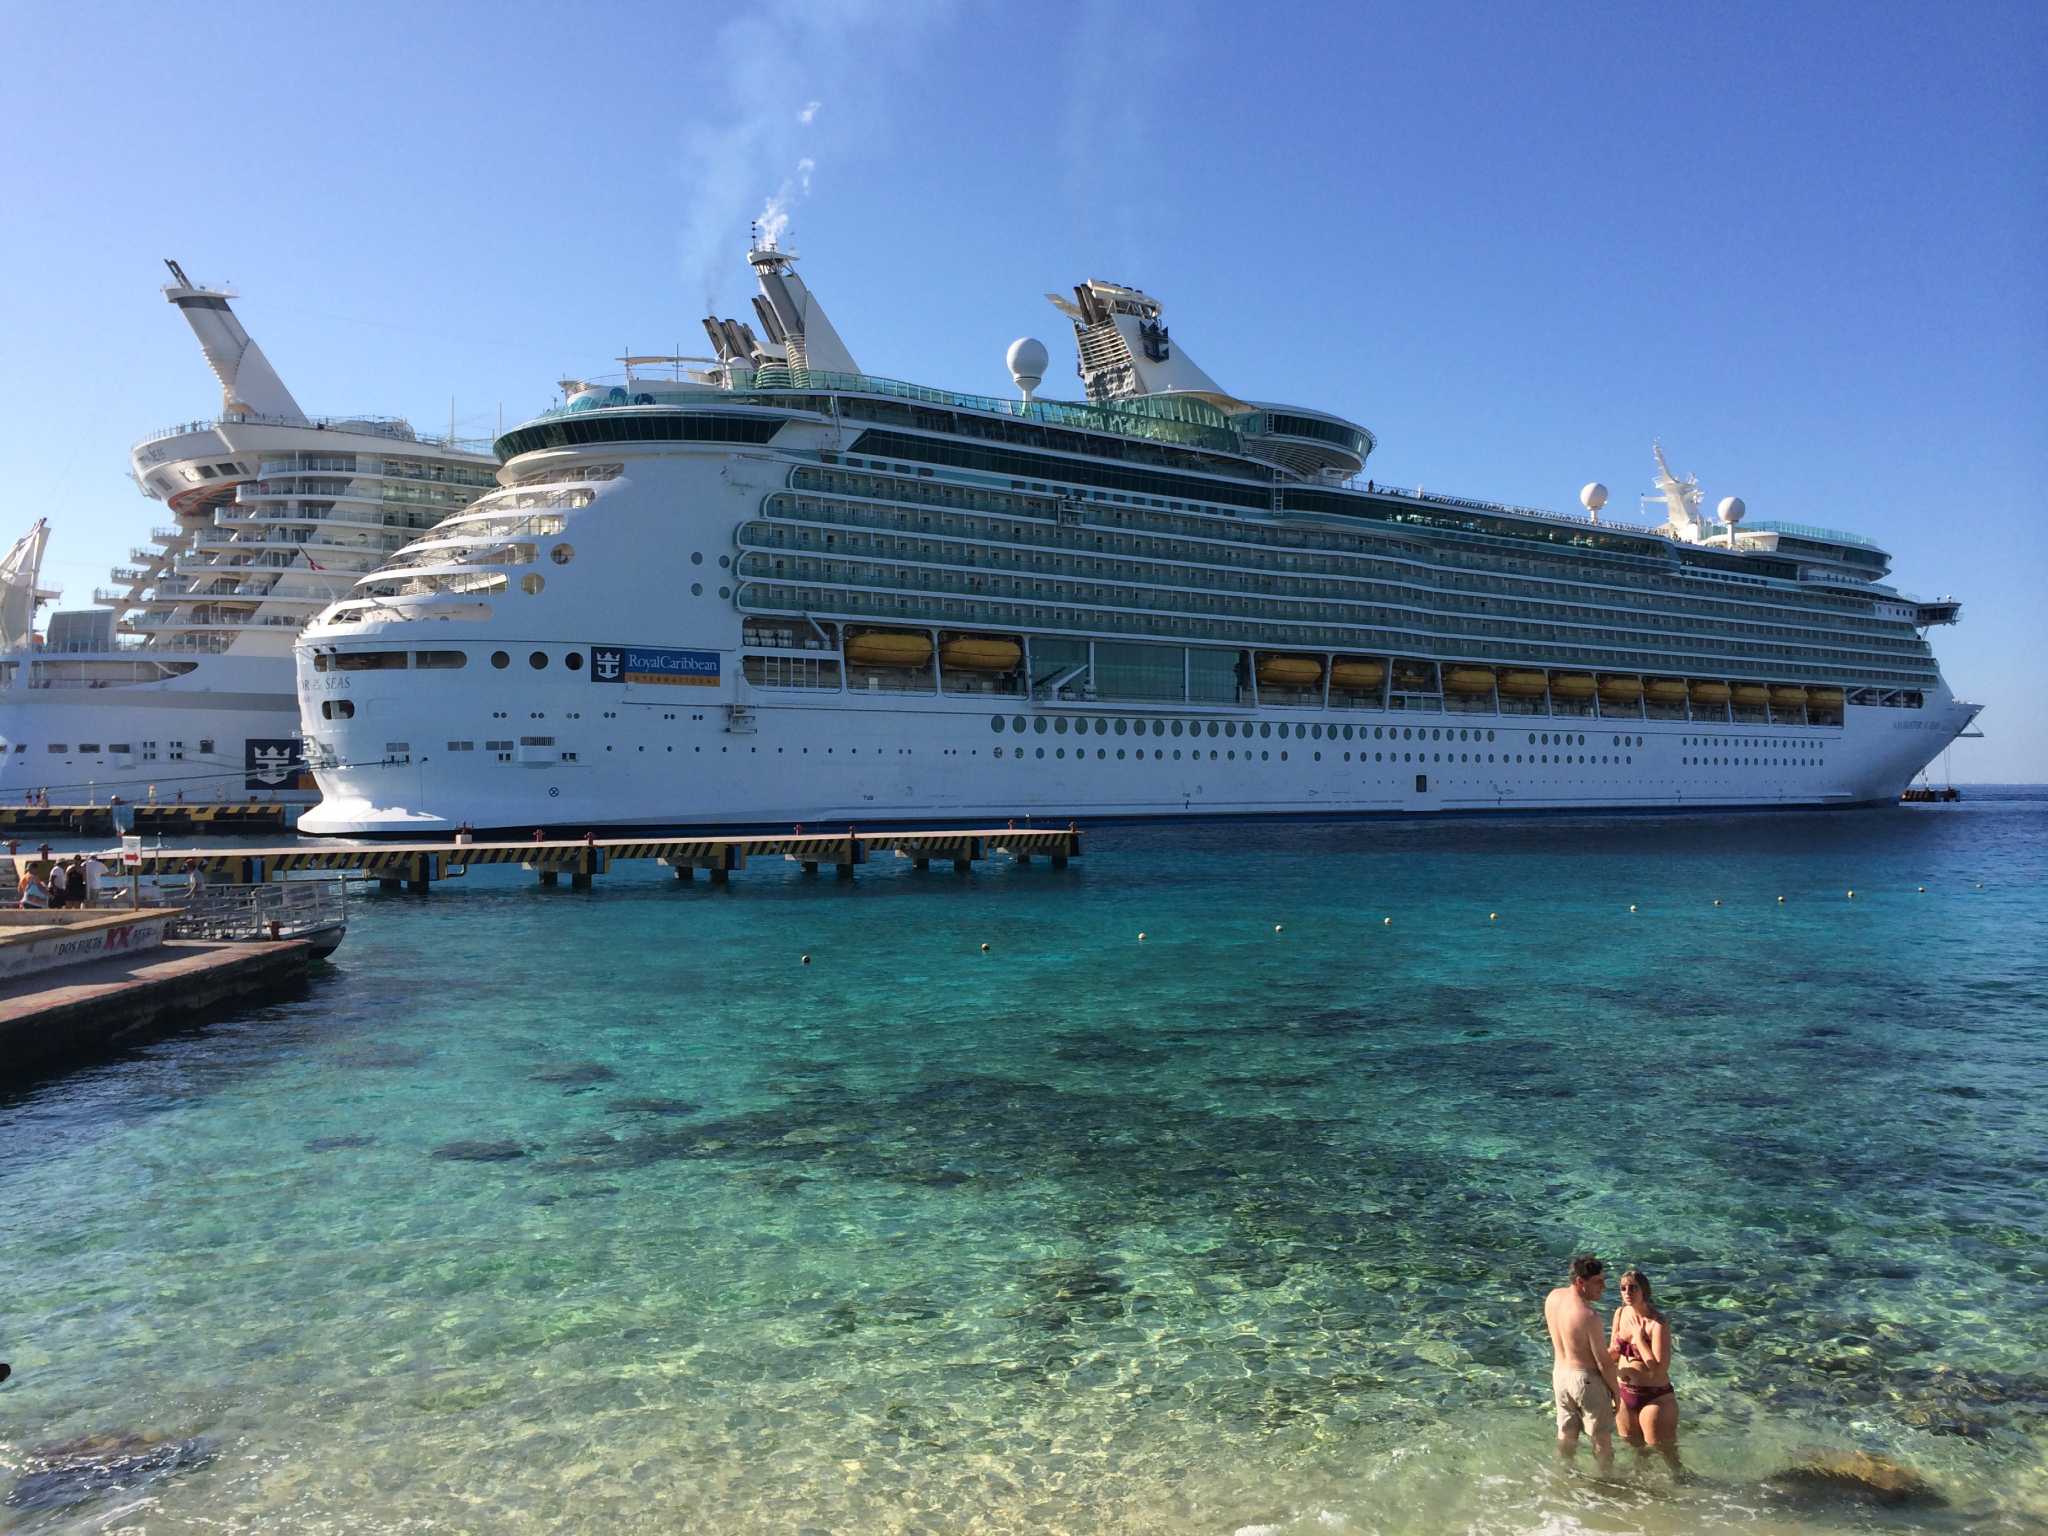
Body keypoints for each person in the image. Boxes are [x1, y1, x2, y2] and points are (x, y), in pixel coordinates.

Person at [1545, 1254, 1623, 1469]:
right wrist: (1617, 1392)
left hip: (1560, 1375)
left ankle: (1563, 1475)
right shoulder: (1588, 1315)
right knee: (1601, 1438)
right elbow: (1603, 1363)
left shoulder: (1553, 1298)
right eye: (1598, 1282)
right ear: (1580, 1282)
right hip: (1585, 1380)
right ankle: (1607, 1480)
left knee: (1566, 1433)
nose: (1603, 1287)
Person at [1610, 1268, 1680, 1467]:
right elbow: (1613, 1356)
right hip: (1624, 1393)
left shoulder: (1657, 1323)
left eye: (1633, 1288)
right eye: (1623, 1288)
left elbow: (1658, 1369)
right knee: (1636, 1453)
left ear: (1644, 1291)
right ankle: (1643, 1494)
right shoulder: (1620, 1313)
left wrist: (1639, 1339)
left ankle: (1683, 1486)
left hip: (1655, 1397)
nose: (1627, 1292)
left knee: (1665, 1453)